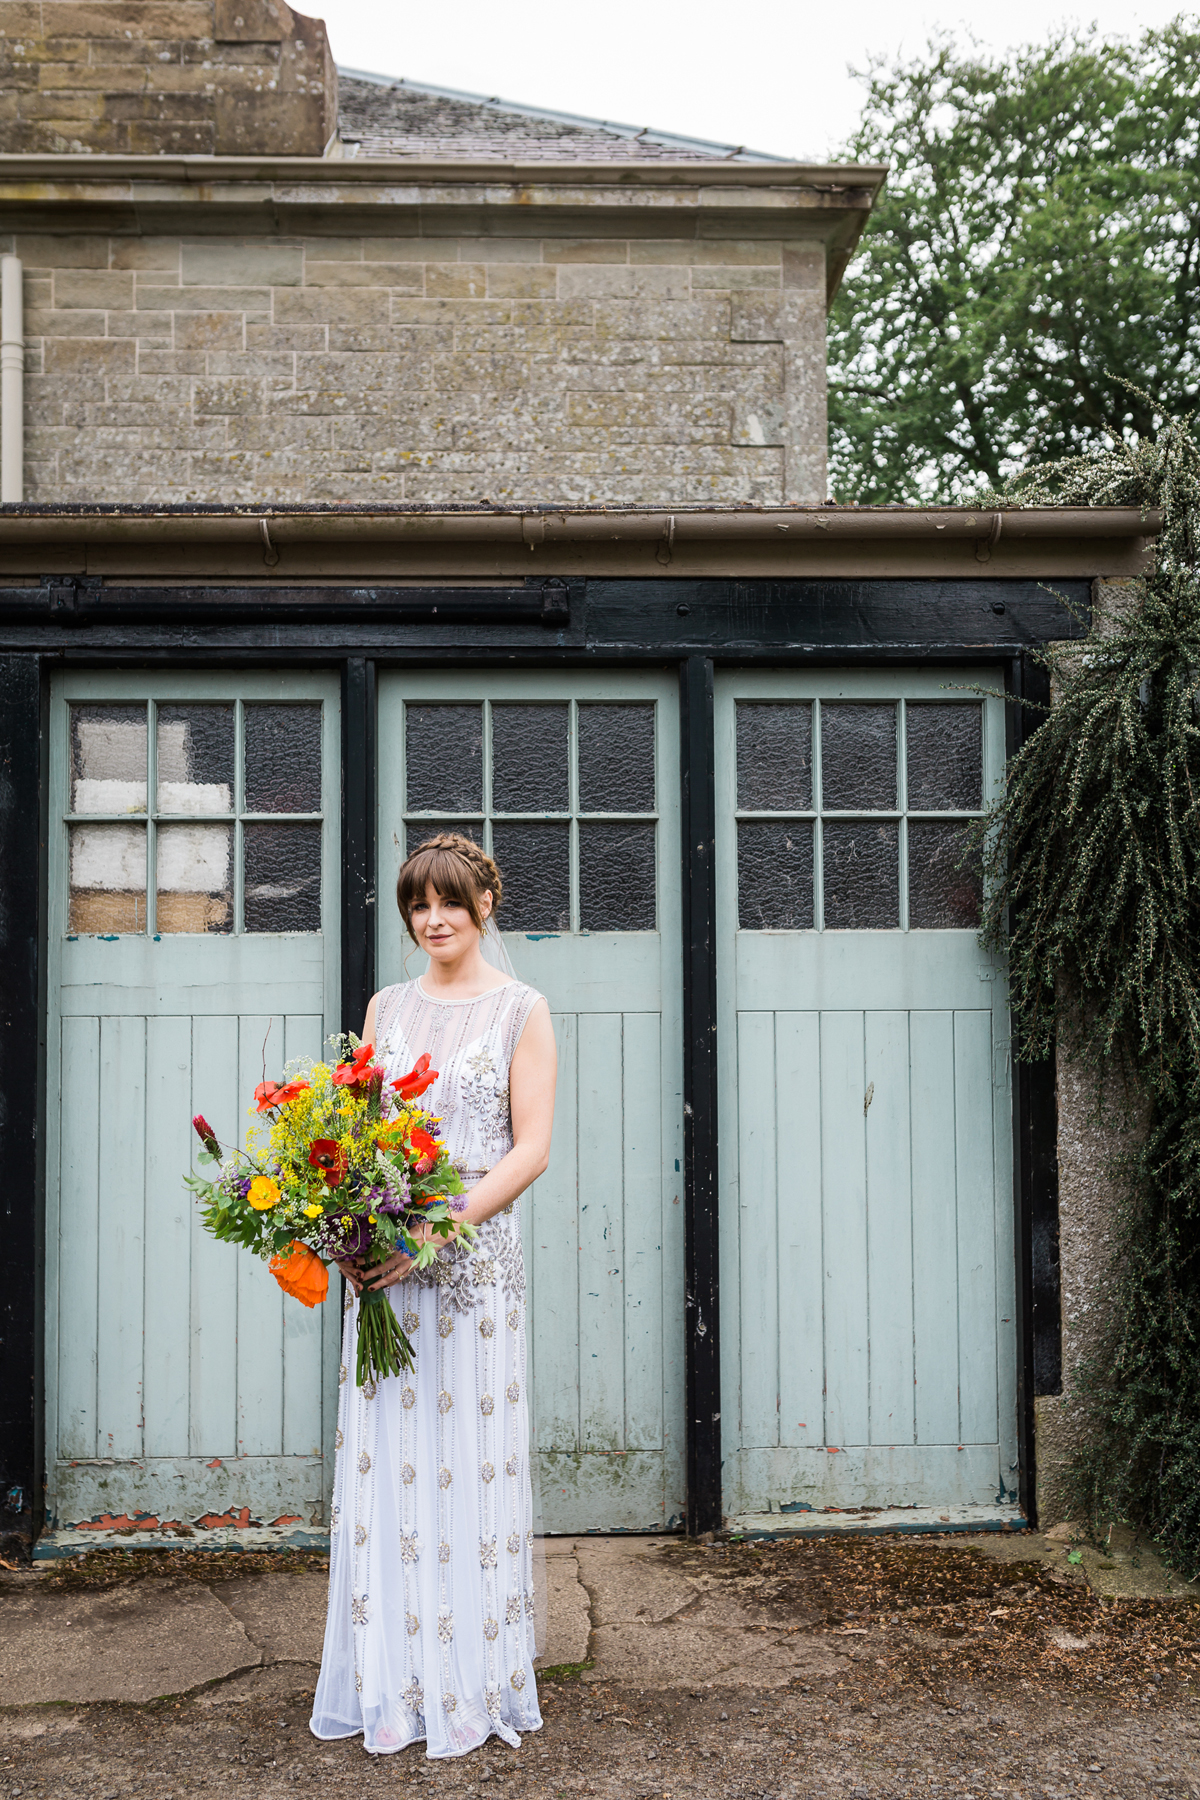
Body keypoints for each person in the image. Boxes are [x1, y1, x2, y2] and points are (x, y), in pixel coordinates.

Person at [309, 832, 557, 1759]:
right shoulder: (385, 1007)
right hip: (386, 1269)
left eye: (450, 901)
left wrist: (439, 1233)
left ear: (483, 904)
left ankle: (471, 1683)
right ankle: (392, 1679)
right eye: (418, 904)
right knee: (393, 1457)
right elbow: (355, 1130)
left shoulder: (522, 1011)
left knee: (469, 1458)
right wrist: (352, 1227)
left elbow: (530, 1148)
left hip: (472, 1264)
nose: (434, 919)